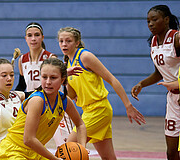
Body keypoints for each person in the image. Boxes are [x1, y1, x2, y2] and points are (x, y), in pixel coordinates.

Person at [57, 26, 146, 160]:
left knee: (70, 148)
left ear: (76, 43)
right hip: (88, 110)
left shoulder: (85, 56)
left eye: (68, 41)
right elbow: (72, 95)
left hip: (99, 109)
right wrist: (63, 81)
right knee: (108, 157)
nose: (64, 44)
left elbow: (112, 79)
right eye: (61, 41)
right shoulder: (66, 63)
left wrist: (128, 105)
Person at [0, 58, 87, 160]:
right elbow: (28, 139)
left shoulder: (63, 100)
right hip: (14, 151)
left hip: (35, 152)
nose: (48, 82)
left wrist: (82, 148)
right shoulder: (37, 100)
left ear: (62, 80)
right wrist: (54, 159)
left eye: (53, 78)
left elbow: (80, 124)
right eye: (44, 77)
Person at [15, 22, 83, 147]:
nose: (33, 38)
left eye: (37, 35)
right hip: (35, 108)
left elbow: (62, 81)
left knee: (66, 148)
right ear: (25, 38)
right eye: (29, 35)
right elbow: (21, 86)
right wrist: (11, 96)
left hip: (54, 106)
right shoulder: (22, 60)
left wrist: (70, 95)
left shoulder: (50, 57)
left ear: (42, 37)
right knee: (30, 146)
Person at [131, 5, 180, 160]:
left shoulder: (177, 38)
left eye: (154, 19)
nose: (150, 24)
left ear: (166, 20)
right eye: (148, 21)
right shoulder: (153, 42)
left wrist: (177, 84)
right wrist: (142, 84)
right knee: (171, 152)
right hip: (173, 100)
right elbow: (159, 73)